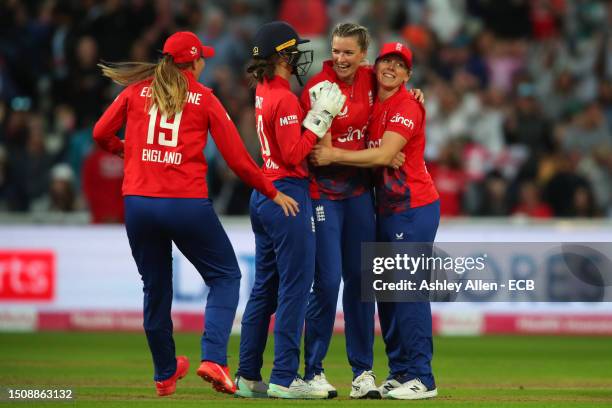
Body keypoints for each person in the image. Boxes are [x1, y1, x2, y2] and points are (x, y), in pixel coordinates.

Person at [92, 31, 299, 397]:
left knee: (155, 289)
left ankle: (165, 374)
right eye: (202, 57)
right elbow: (236, 159)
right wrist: (271, 190)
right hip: (185, 203)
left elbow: (99, 133)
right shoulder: (204, 99)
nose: (205, 62)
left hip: (139, 204)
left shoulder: (135, 92)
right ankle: (214, 358)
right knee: (225, 275)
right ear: (195, 63)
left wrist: (126, 151)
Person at [311, 42, 440, 400]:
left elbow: (384, 153)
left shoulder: (406, 105)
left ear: (408, 75)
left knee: (408, 292)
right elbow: (382, 155)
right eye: (388, 61)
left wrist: (333, 154)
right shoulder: (375, 99)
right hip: (384, 208)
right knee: (386, 292)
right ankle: (399, 372)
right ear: (375, 64)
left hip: (413, 207)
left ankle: (422, 377)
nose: (392, 69)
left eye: (400, 66)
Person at [234, 21, 346, 399]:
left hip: (264, 193)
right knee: (295, 289)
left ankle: (248, 375)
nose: (299, 56)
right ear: (281, 56)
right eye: (294, 51)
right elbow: (294, 154)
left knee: (265, 289)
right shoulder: (281, 98)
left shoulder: (266, 90)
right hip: (287, 195)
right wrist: (320, 119)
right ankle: (284, 376)